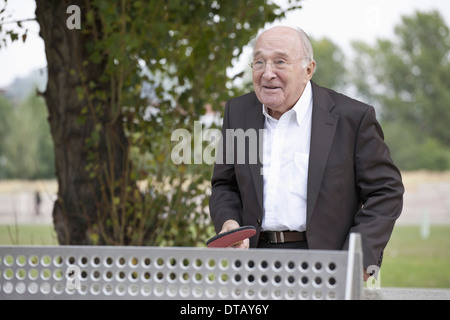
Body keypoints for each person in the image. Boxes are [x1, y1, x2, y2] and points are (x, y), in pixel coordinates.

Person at [209, 26, 404, 279]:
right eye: (259, 62)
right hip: (252, 264)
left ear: (308, 70)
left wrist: (359, 259)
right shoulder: (238, 112)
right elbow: (225, 184)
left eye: (280, 61)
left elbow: (386, 191)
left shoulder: (352, 118)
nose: (268, 73)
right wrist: (229, 222)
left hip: (327, 265)